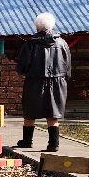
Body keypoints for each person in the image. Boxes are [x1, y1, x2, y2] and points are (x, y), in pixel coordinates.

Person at [14, 11, 71, 152]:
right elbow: (67, 65)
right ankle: (53, 144)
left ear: (37, 26)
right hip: (57, 81)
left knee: (30, 112)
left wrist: (23, 72)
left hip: (35, 81)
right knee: (53, 113)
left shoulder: (31, 44)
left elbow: (22, 66)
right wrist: (65, 78)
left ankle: (27, 141)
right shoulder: (62, 43)